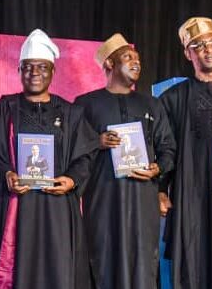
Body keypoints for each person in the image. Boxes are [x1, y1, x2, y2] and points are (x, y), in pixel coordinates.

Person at [0, 29, 98, 288]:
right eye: (28, 67)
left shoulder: (71, 114)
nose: (34, 73)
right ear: (19, 71)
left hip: (56, 210)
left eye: (42, 67)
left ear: (53, 72)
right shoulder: (2, 111)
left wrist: (71, 180)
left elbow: (85, 156)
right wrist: (6, 175)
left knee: (57, 271)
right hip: (16, 208)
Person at [74, 33, 175, 289]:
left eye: (138, 58)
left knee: (143, 262)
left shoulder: (152, 104)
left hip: (143, 199)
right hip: (103, 198)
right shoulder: (86, 104)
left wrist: (158, 168)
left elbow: (167, 147)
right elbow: (71, 150)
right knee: (103, 259)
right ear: (109, 63)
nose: (136, 62)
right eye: (128, 57)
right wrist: (97, 141)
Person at [159, 17, 212, 288]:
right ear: (188, 53)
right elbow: (164, 148)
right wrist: (160, 189)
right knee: (193, 260)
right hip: (191, 194)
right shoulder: (173, 98)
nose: (209, 50)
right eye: (200, 45)